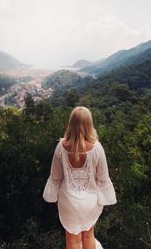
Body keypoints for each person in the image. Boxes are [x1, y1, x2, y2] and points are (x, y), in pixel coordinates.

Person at [43, 106, 117, 249]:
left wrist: (54, 197)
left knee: (72, 241)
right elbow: (103, 179)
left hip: (68, 202)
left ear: (70, 123)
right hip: (90, 203)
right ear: (90, 124)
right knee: (89, 235)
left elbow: (55, 177)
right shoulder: (97, 148)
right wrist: (105, 198)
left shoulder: (61, 147)